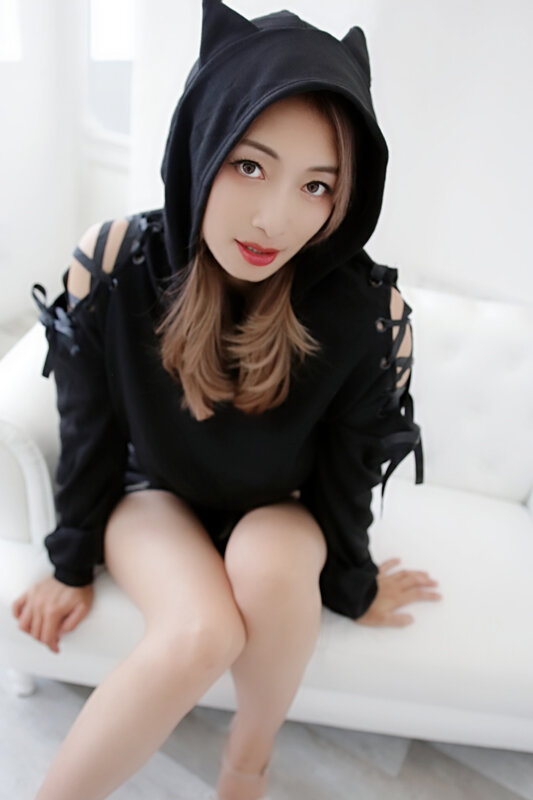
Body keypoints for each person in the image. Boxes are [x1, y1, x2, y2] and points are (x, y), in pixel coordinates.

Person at [12, 2, 440, 799]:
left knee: (267, 569)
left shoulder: (363, 312)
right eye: (249, 165)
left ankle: (247, 764)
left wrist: (354, 584)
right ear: (201, 144)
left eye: (317, 185)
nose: (275, 219)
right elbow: (88, 428)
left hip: (281, 509)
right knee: (199, 631)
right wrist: (68, 564)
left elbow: (346, 475)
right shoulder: (116, 262)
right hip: (154, 496)